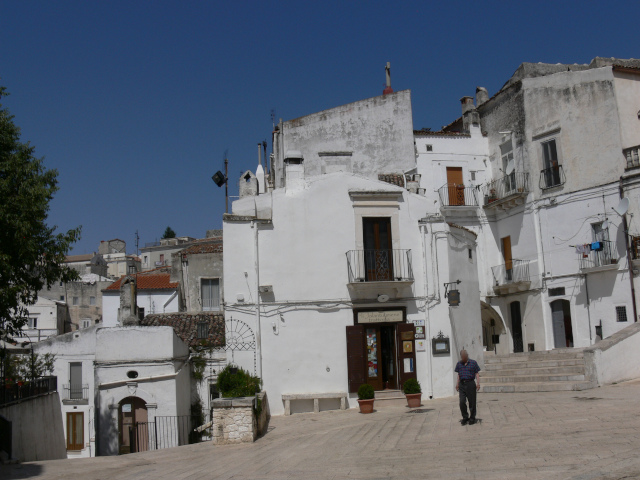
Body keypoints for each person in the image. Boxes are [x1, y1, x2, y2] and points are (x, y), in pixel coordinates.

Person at [455, 349, 480, 425]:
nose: (463, 358)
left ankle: (472, 418)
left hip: (470, 383)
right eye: (462, 357)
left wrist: (478, 383)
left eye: (464, 357)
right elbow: (459, 375)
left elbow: (477, 373)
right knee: (462, 402)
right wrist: (457, 384)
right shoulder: (459, 364)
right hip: (462, 384)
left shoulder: (473, 363)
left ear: (466, 355)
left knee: (472, 402)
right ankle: (465, 417)